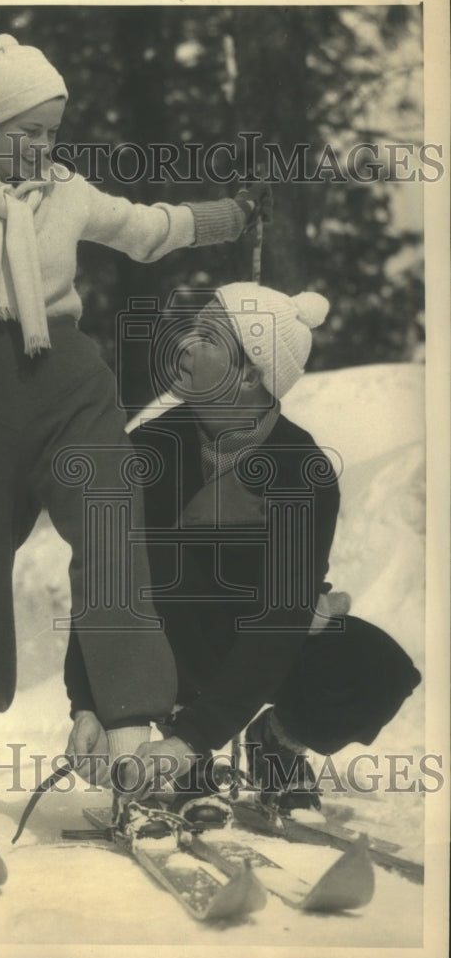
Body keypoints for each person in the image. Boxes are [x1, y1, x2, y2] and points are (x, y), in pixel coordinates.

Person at [0, 34, 270, 827]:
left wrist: (230, 215)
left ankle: (132, 761)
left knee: (113, 542)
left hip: (71, 383)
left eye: (53, 130)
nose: (44, 146)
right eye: (31, 131)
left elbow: (148, 228)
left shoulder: (64, 189)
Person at [65, 283, 421, 821]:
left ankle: (275, 740)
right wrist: (87, 703)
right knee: (154, 562)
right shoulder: (148, 450)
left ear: (250, 374)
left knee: (377, 667)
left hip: (259, 643)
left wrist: (195, 737)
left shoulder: (305, 471)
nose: (184, 344)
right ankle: (180, 755)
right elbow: (103, 581)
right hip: (171, 651)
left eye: (208, 337)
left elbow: (282, 620)